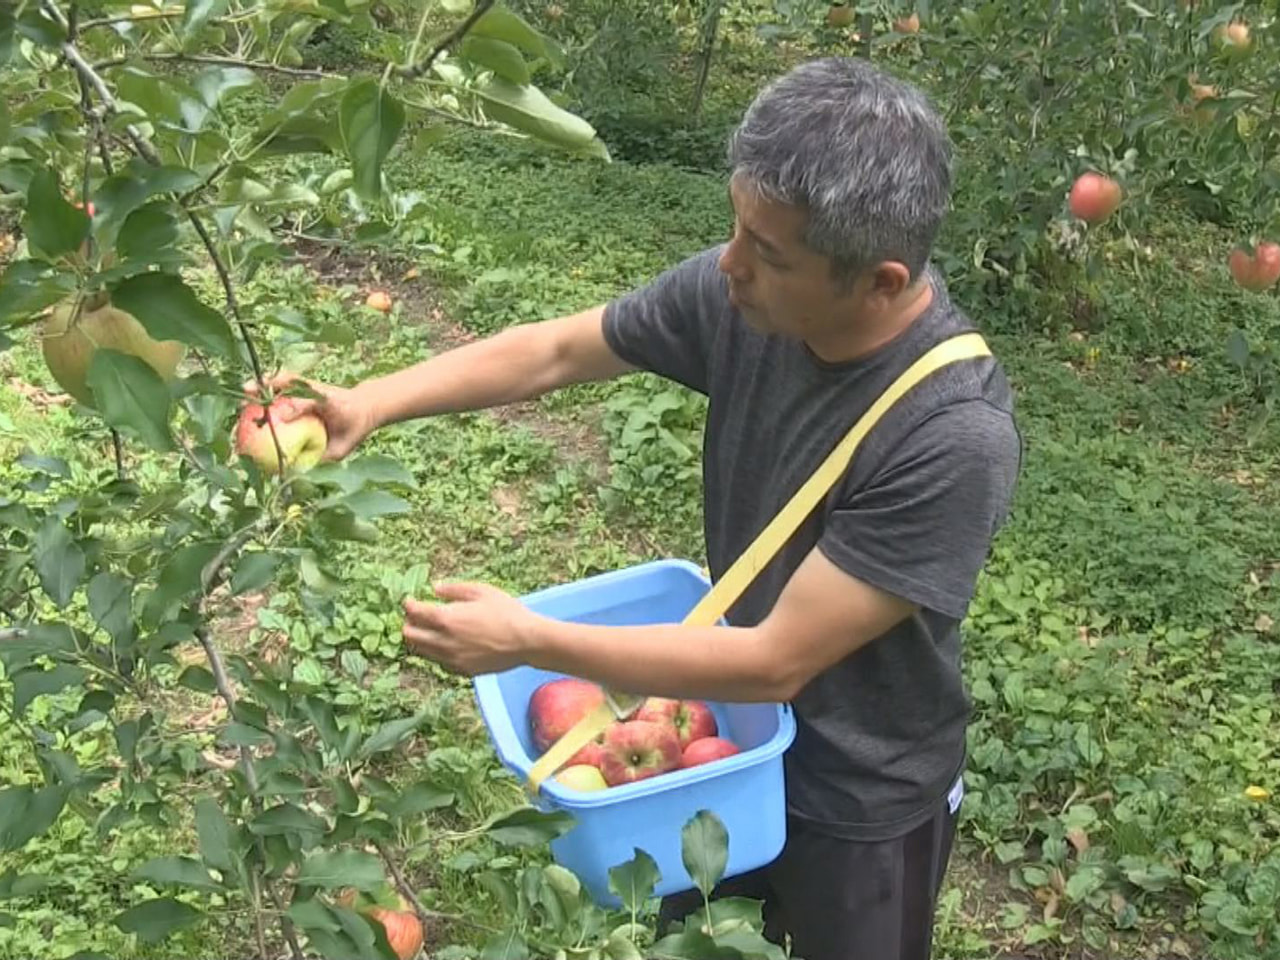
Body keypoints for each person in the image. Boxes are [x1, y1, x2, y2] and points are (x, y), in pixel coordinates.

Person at [260, 57, 1022, 960]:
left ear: (880, 283)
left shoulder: (950, 435)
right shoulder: (743, 294)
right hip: (715, 755)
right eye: (737, 227)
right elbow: (555, 352)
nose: (729, 265)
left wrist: (528, 637)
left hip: (858, 793)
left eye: (768, 253)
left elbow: (776, 659)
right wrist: (373, 400)